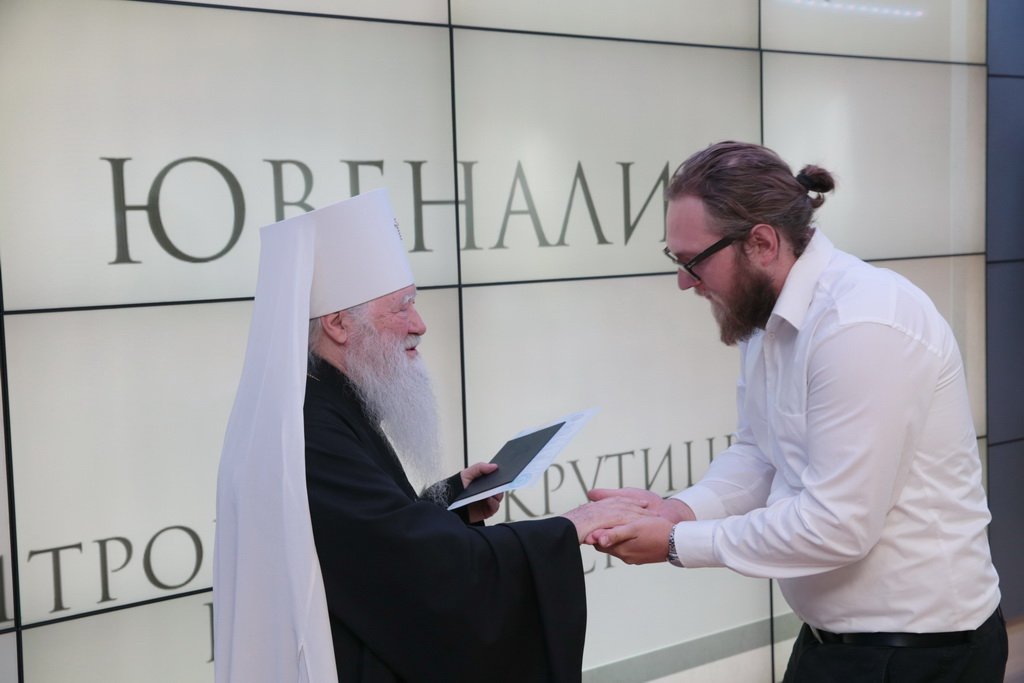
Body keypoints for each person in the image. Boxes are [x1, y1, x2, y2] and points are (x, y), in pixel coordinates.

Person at [587, 141, 1007, 682]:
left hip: (920, 653)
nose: (684, 281)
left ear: (762, 243)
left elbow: (837, 526)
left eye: (693, 261)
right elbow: (760, 454)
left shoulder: (861, 325)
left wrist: (674, 543)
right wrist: (678, 511)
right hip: (835, 641)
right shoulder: (766, 315)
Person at [213, 189, 646, 683]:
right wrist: (571, 527)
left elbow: (371, 542)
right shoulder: (312, 430)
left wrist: (450, 500)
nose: (419, 325)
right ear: (337, 324)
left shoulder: (328, 401)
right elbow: (414, 567)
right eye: (402, 308)